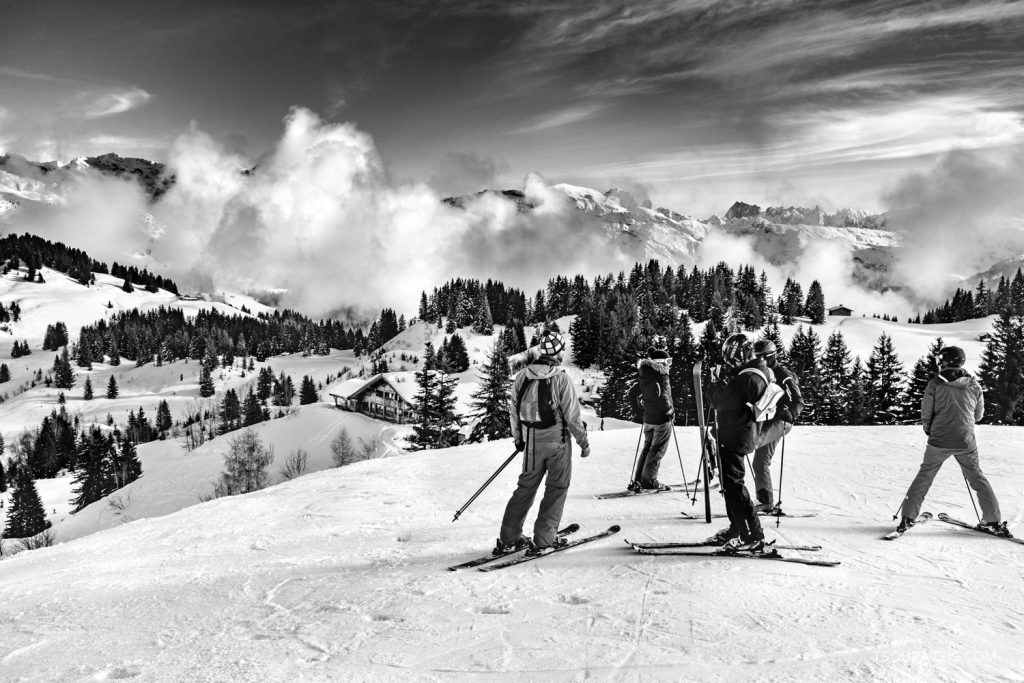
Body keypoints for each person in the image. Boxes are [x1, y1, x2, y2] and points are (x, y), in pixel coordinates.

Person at [897, 346, 1010, 536]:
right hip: (965, 440)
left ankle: (908, 517)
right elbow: (979, 415)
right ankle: (993, 521)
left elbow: (926, 412)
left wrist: (929, 429)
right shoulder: (974, 384)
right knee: (977, 478)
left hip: (939, 439)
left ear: (944, 362)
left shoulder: (935, 384)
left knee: (924, 476)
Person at [497, 330, 591, 555]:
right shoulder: (560, 378)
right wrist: (583, 443)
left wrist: (519, 439)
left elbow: (513, 412)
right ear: (558, 352)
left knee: (525, 489)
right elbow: (572, 417)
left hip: (531, 444)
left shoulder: (522, 376)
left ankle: (509, 538)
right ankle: (545, 539)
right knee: (556, 488)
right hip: (557, 443)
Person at [707, 333, 769, 551]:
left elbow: (720, 401)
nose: (728, 362)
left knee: (734, 485)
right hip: (738, 432)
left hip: (736, 434)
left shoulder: (749, 377)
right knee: (729, 483)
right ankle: (738, 527)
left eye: (730, 358)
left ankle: (752, 534)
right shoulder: (755, 371)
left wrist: (715, 383)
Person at [751, 340, 804, 513]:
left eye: (763, 356)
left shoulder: (782, 373)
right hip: (768, 420)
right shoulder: (762, 373)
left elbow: (798, 400)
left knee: (751, 442)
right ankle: (766, 502)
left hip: (780, 421)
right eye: (757, 356)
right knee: (760, 462)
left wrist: (789, 413)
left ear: (772, 355)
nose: (760, 360)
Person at [626, 339, 674, 492]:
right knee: (657, 449)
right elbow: (662, 396)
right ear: (660, 362)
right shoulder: (661, 376)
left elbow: (632, 394)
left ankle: (640, 478)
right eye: (668, 361)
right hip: (661, 419)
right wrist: (669, 412)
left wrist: (639, 411)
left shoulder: (645, 375)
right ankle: (649, 480)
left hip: (648, 419)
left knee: (647, 448)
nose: (669, 365)